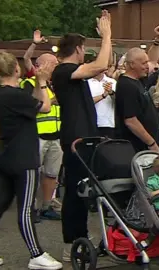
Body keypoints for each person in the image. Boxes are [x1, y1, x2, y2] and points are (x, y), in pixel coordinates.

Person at [0, 50, 62, 269]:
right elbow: (45, 106)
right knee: (26, 208)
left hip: (6, 155)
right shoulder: (16, 95)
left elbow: (35, 102)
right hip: (23, 158)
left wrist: (38, 83)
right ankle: (36, 254)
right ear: (16, 69)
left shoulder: (1, 93)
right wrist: (44, 83)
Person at [51, 10, 111, 261]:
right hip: (75, 140)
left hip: (86, 137)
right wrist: (107, 35)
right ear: (77, 49)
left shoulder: (73, 73)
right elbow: (102, 64)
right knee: (76, 193)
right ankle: (72, 242)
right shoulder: (63, 70)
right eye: (84, 49)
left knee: (86, 192)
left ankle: (84, 237)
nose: (84, 53)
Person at [21, 53, 62, 221]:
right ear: (42, 65)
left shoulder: (54, 85)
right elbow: (36, 103)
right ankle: (31, 208)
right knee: (34, 174)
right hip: (37, 135)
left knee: (52, 174)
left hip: (56, 135)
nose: (56, 68)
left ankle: (47, 205)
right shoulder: (29, 83)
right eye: (53, 64)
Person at [115, 46, 159, 152]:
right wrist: (151, 143)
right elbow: (131, 120)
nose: (147, 66)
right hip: (137, 145)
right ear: (132, 64)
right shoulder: (127, 85)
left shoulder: (138, 80)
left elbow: (153, 61)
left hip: (146, 143)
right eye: (143, 63)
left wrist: (157, 41)